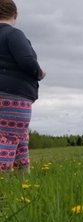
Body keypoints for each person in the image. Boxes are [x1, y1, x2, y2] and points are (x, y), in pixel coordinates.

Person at [0, 0, 45, 173]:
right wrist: (39, 72)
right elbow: (27, 61)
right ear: (15, 15)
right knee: (11, 141)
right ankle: (6, 191)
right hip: (14, 98)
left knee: (18, 141)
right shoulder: (14, 34)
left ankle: (21, 191)